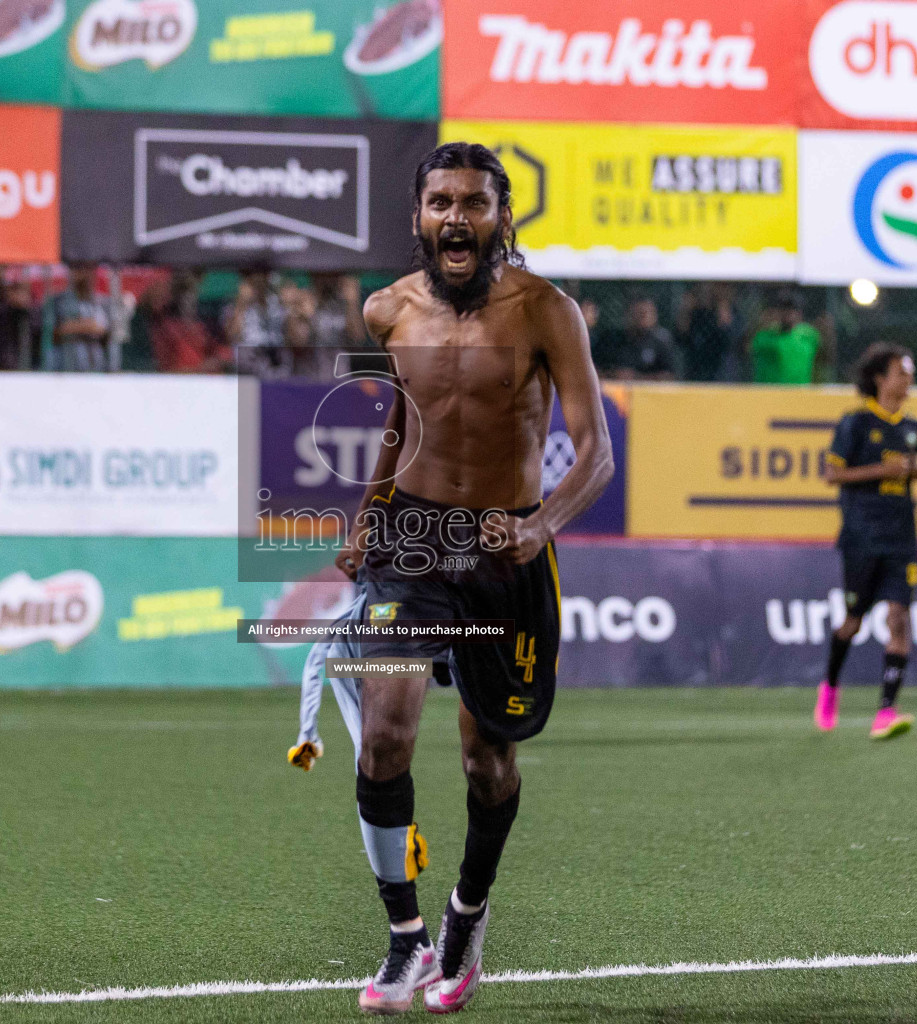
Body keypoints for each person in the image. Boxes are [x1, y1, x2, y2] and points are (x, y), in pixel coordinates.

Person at [336, 142, 612, 1014]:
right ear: (418, 217)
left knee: (488, 760)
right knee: (384, 734)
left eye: (475, 203)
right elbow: (401, 421)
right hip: (413, 542)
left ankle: (467, 908)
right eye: (441, 203)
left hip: (505, 551)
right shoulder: (386, 310)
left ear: (501, 217)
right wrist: (371, 511)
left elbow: (596, 451)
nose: (457, 217)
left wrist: (543, 525)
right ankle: (404, 939)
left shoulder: (545, 310)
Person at [815, 343, 917, 740]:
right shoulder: (855, 423)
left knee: (899, 618)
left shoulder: (914, 428)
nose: (908, 379)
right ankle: (829, 687)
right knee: (853, 622)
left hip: (902, 536)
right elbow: (831, 475)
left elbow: (903, 472)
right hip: (862, 537)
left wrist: (909, 473)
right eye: (902, 372)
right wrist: (884, 469)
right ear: (881, 378)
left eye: (911, 373)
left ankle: (886, 711)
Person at [591, 295, 683, 381]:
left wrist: (636, 377)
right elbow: (593, 369)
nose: (643, 318)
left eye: (646, 314)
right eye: (638, 314)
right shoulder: (610, 339)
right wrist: (613, 375)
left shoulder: (662, 341)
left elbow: (671, 376)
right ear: (628, 314)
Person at [43, 261, 111, 372]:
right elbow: (50, 333)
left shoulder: (103, 302)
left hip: (96, 370)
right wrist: (86, 326)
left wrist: (74, 327)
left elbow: (107, 333)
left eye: (87, 269)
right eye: (78, 269)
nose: (83, 274)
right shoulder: (57, 301)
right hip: (63, 369)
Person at [749, 290, 822, 385]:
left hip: (801, 394)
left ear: (799, 313)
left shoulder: (809, 336)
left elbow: (823, 357)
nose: (788, 314)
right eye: (784, 309)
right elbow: (748, 348)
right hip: (771, 394)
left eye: (792, 309)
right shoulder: (766, 336)